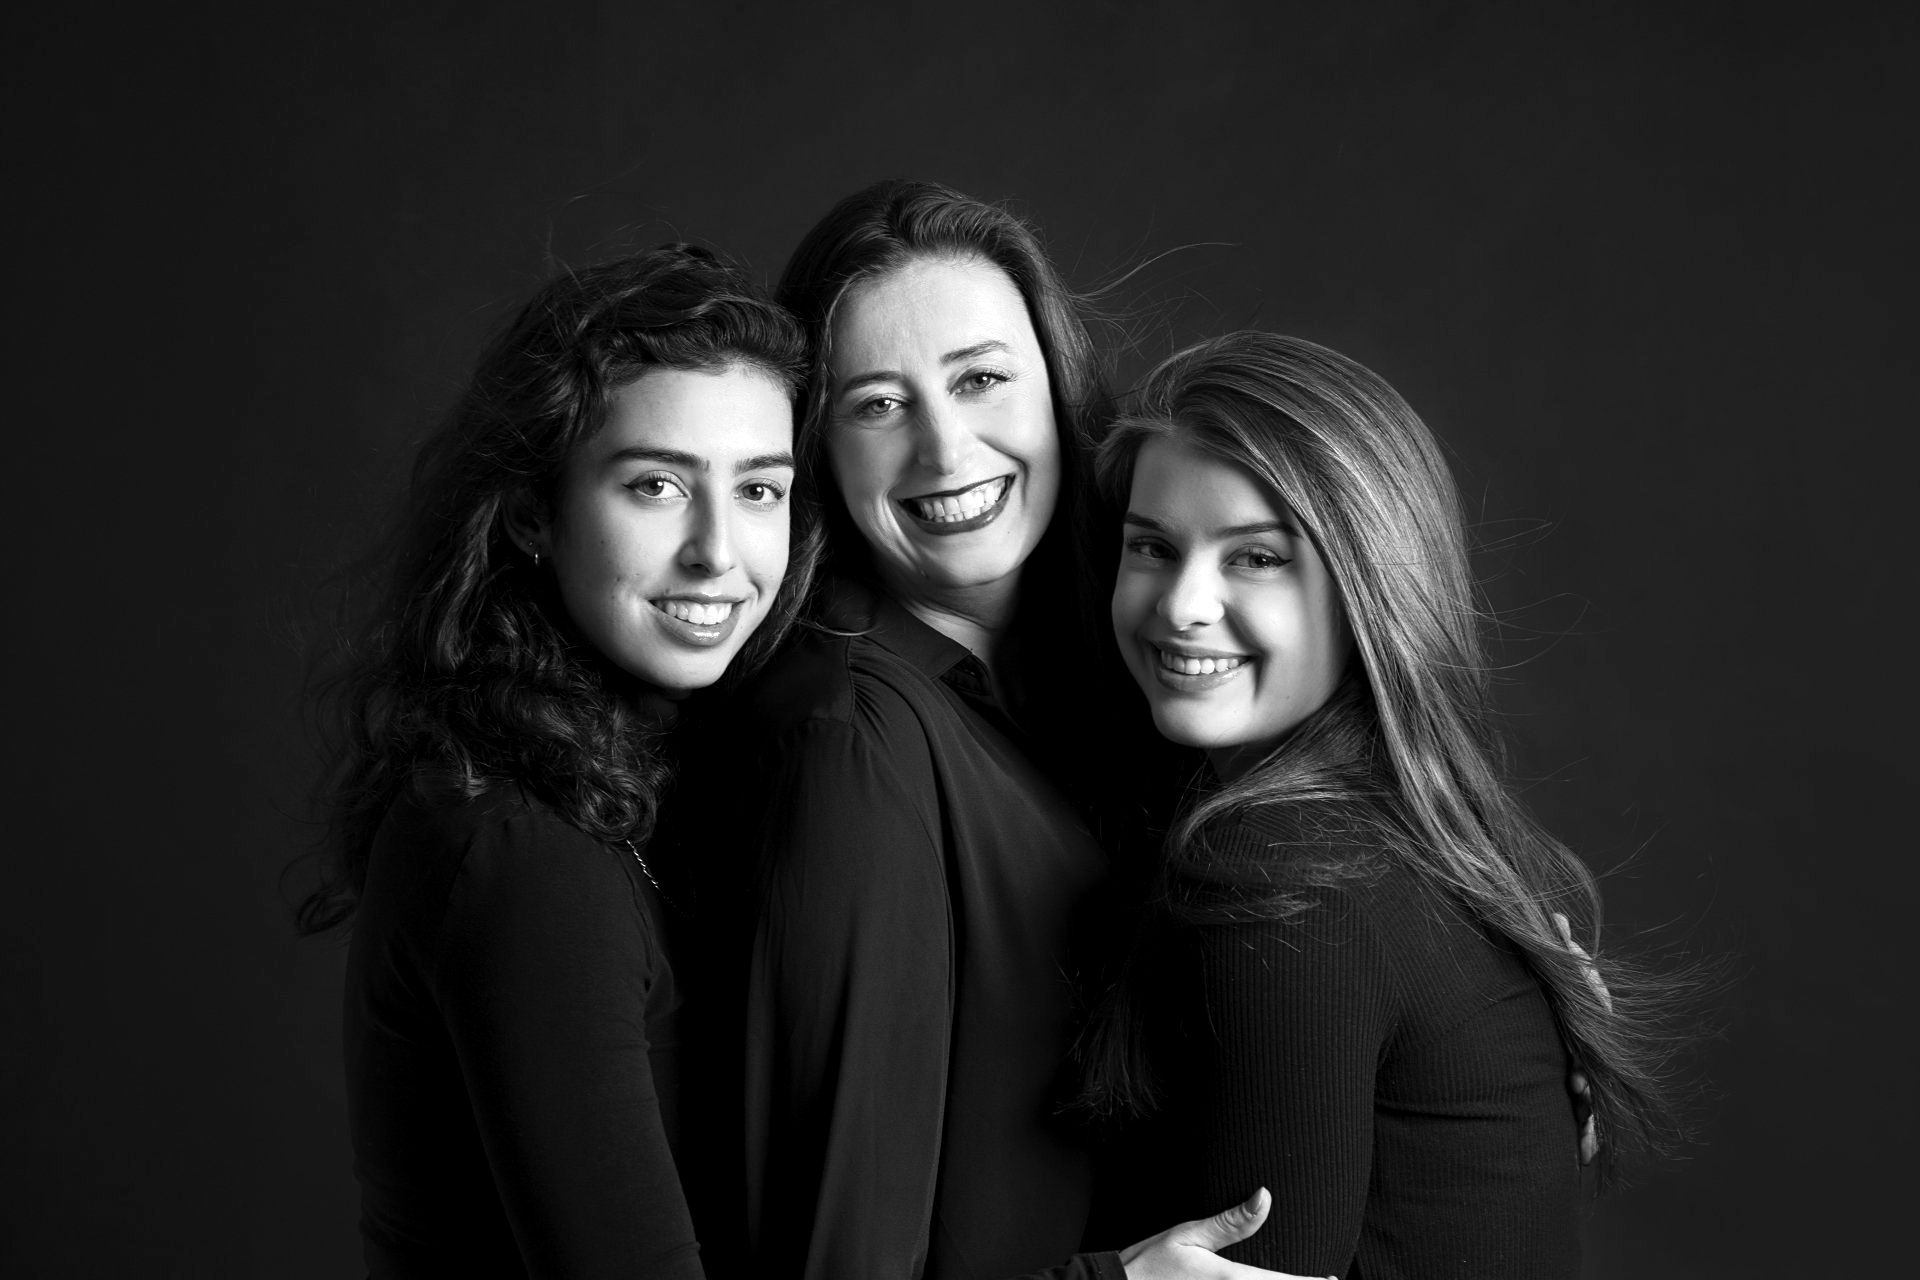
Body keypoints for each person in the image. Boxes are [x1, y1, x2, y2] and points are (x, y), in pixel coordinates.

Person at [697, 181, 1321, 1280]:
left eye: (981, 379)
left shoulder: (1142, 663)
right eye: (877, 404)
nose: (946, 450)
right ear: (818, 448)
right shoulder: (852, 743)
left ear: (1055, 385)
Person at [1081, 332, 1683, 1278]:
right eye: (1153, 547)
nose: (1183, 605)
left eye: (1256, 558)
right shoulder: (1408, 839)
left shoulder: (1283, 870)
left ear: (1370, 587)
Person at [297, 244, 819, 1279]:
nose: (720, 551)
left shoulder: (616, 784)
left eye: (760, 489)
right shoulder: (520, 849)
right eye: (657, 485)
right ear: (534, 510)